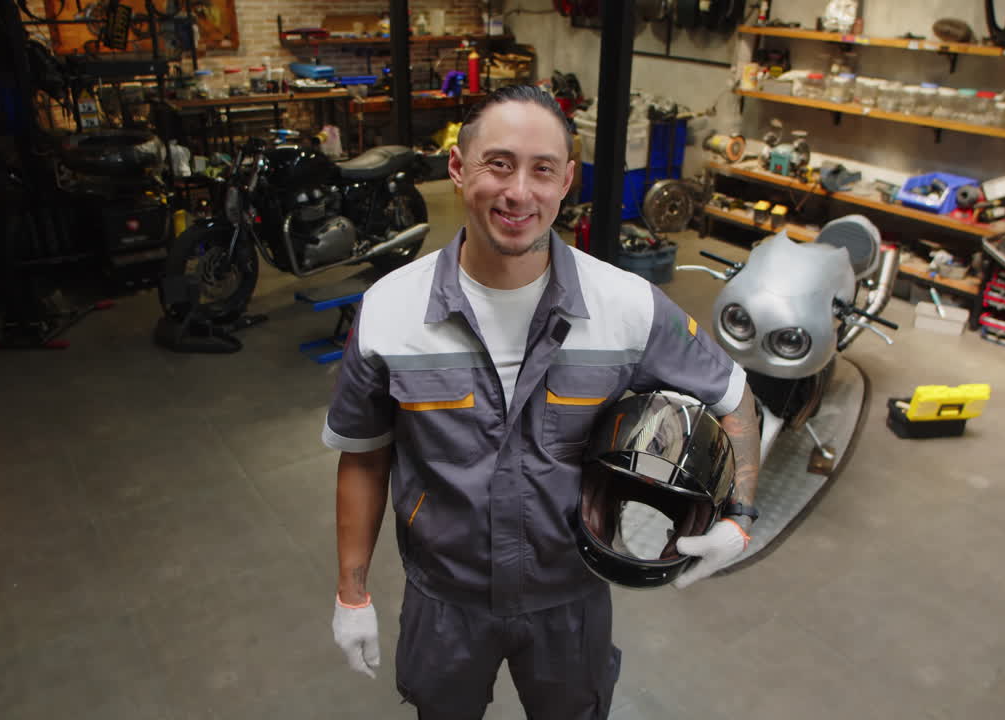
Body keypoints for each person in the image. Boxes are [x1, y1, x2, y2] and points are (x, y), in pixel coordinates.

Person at [323, 84, 761, 720]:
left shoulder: (627, 307)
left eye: (542, 170)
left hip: (571, 599)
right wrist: (351, 593)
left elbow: (736, 396)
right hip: (444, 600)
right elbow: (364, 457)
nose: (519, 192)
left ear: (567, 182)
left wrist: (739, 515)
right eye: (498, 163)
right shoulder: (391, 310)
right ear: (457, 167)